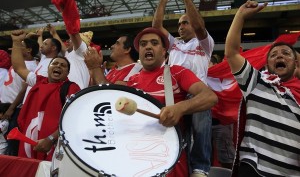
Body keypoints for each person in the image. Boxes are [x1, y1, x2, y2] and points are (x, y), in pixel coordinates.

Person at [85, 27, 218, 177]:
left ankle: (200, 169)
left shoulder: (177, 72)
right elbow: (107, 96)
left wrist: (180, 108)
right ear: (140, 52)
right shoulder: (131, 82)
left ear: (163, 51)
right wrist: (95, 67)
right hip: (135, 161)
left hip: (170, 162)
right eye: (143, 44)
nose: (148, 46)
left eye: (154, 43)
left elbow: (210, 97)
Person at [225, 0, 300, 176]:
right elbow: (232, 52)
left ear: (296, 64)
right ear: (267, 64)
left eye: (286, 54)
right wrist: (240, 16)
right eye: (273, 55)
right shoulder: (255, 82)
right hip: (253, 169)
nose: (279, 55)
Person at [152, 0, 215, 176]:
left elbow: (200, 27)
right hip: (172, 96)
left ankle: (200, 169)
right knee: (177, 136)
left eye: (185, 22)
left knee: (200, 125)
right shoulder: (174, 44)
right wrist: (163, 1)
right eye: (179, 24)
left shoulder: (205, 43)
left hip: (195, 95)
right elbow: (156, 27)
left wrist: (187, 0)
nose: (181, 26)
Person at [10, 30, 80, 161]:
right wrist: (16, 42)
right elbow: (19, 67)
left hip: (52, 146)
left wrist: (51, 139)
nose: (58, 66)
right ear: (48, 68)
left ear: (67, 73)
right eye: (55, 63)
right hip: (28, 141)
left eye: (63, 65)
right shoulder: (38, 81)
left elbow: (74, 119)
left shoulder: (71, 87)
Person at [0, 36, 39, 156]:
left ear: (29, 50)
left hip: (14, 108)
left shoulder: (32, 67)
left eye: (20, 46)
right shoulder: (18, 62)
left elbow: (23, 90)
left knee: (11, 141)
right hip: (4, 106)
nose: (15, 48)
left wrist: (11, 109)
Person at [208, 54, 235, 169]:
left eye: (207, 63)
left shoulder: (224, 79)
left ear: (215, 65)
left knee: (226, 156)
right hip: (204, 124)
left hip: (221, 124)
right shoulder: (199, 77)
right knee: (204, 155)